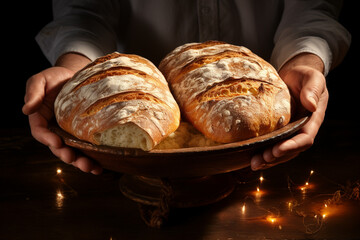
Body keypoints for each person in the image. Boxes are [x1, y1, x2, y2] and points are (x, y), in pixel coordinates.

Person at [23, 0, 351, 175]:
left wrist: (304, 63)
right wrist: (75, 74)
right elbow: (84, 10)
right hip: (128, 118)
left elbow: (312, 7)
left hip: (267, 110)